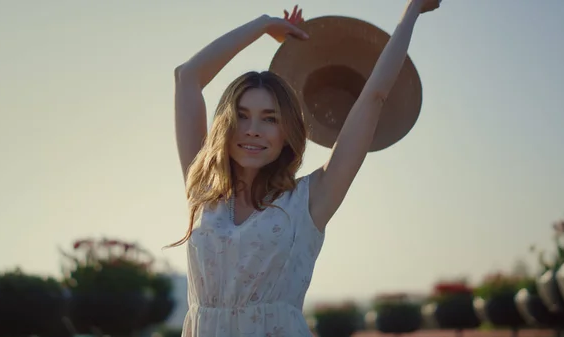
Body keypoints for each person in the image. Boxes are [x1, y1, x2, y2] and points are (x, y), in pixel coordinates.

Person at [171, 0, 440, 335]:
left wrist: (413, 9)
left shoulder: (309, 200)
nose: (252, 129)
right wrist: (262, 25)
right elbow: (187, 77)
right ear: (225, 125)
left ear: (288, 133)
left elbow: (374, 96)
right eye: (241, 116)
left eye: (269, 119)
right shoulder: (202, 190)